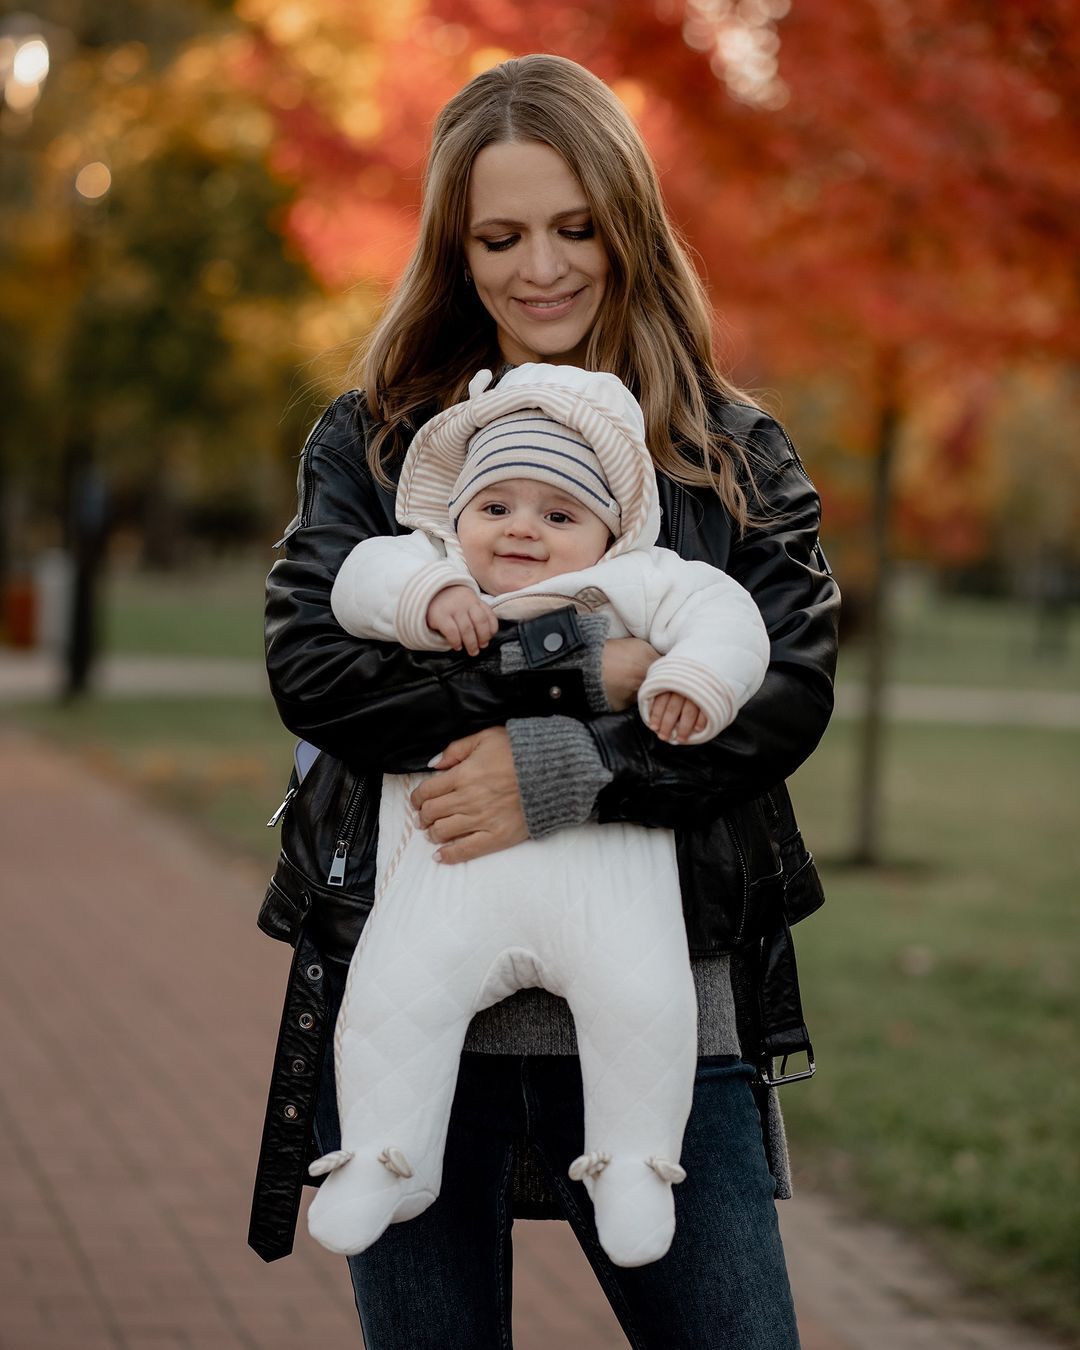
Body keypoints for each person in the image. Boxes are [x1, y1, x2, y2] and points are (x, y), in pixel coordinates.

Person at [250, 52, 839, 1350]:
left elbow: (782, 694)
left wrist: (563, 773)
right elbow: (316, 667)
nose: (542, 268)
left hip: (668, 1019)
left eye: (576, 227)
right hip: (409, 1024)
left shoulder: (732, 455)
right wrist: (581, 670)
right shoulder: (374, 443)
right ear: (457, 251)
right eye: (500, 235)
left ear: (627, 223)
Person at [306, 361, 771, 1267]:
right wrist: (426, 599)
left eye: (559, 516)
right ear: (460, 514)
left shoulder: (637, 583)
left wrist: (689, 679)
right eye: (497, 507)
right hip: (448, 871)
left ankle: (635, 1163)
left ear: (608, 532)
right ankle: (380, 1156)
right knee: (394, 995)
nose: (522, 528)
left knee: (644, 1001)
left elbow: (733, 620)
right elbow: (353, 579)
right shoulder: (430, 566)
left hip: (607, 878)